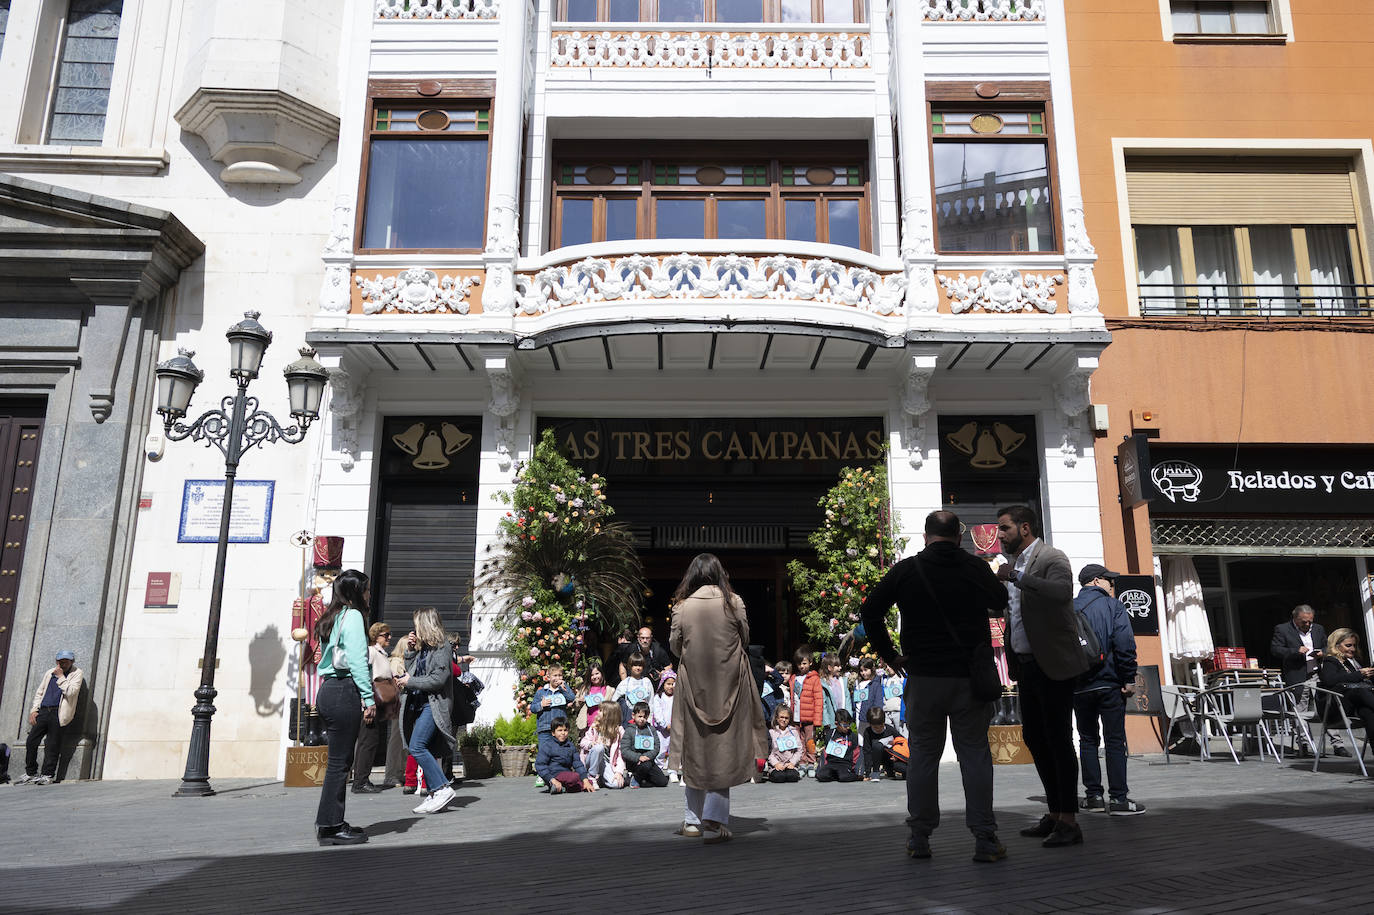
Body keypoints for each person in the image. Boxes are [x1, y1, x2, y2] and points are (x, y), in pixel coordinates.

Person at [861, 510, 1010, 864]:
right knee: (974, 754)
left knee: (924, 756)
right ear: (959, 537)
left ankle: (920, 836)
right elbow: (1000, 602)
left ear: (926, 537)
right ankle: (985, 838)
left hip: (924, 676)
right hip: (967, 679)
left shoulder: (907, 570)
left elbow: (870, 611)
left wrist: (890, 655)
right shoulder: (975, 567)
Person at [995, 504, 1089, 849]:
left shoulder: (1052, 557)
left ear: (1025, 528)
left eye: (1004, 528)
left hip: (1054, 665)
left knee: (1059, 740)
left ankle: (1069, 821)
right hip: (1027, 666)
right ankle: (1053, 814)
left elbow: (1062, 594)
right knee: (1035, 738)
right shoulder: (1015, 566)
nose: (999, 535)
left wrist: (1016, 578)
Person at [667, 553, 768, 843]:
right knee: (722, 748)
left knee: (694, 748)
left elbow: (675, 647)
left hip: (693, 687)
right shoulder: (734, 603)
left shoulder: (682, 608)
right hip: (730, 686)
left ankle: (691, 821)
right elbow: (745, 639)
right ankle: (714, 818)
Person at [1071, 565, 1144, 816]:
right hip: (1110, 682)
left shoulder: (1067, 609)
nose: (1111, 586)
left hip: (1079, 686)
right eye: (1108, 581)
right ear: (1096, 580)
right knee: (1114, 740)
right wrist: (1128, 677)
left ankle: (1093, 797)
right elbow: (1124, 645)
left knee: (1087, 740)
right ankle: (1119, 800)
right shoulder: (1113, 607)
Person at [313, 569, 376, 846]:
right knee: (340, 764)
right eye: (366, 589)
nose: (369, 594)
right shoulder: (351, 617)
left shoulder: (333, 616)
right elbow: (358, 660)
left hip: (328, 689)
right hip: (343, 690)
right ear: (355, 592)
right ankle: (330, 826)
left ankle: (330, 821)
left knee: (338, 763)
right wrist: (369, 698)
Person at [397, 607, 458, 815]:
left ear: (425, 625)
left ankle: (442, 788)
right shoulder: (426, 648)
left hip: (434, 704)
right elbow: (413, 670)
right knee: (428, 748)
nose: (414, 629)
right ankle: (433, 792)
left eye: (417, 625)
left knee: (417, 746)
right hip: (421, 703)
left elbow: (438, 680)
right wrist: (411, 651)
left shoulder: (442, 647)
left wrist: (409, 681)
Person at [17, 649, 83, 785]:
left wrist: (60, 677)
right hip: (43, 711)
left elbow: (71, 692)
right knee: (31, 741)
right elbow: (40, 692)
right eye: (60, 661)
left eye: (66, 662)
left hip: (58, 713)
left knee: (53, 744)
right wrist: (34, 710)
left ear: (72, 661)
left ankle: (47, 774)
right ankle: (31, 773)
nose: (63, 664)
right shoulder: (49, 672)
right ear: (56, 661)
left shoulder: (77, 673)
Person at [351, 622, 393, 794]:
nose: (389, 637)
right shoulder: (371, 652)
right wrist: (366, 704)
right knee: (367, 742)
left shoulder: (382, 653)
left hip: (378, 702)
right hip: (371, 703)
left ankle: (363, 779)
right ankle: (360, 781)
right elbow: (365, 676)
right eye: (386, 634)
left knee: (371, 741)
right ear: (377, 636)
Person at [1318, 629, 1374, 738]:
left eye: (1354, 645)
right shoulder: (1330, 661)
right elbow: (1330, 681)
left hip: (1355, 705)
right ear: (1336, 645)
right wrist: (1360, 674)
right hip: (1337, 706)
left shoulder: (1349, 662)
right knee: (1360, 690)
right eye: (1348, 645)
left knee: (1368, 713)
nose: (1353, 649)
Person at [1272, 604, 1328, 689]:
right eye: (1304, 622)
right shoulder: (1283, 629)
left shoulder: (1318, 629)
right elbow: (1275, 649)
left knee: (1319, 700)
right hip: (1297, 675)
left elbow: (1327, 646)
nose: (1307, 624)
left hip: (1317, 673)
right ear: (1295, 618)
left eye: (1310, 621)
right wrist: (1296, 651)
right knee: (1301, 701)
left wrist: (1323, 652)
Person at [536, 717, 597, 794]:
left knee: (588, 782)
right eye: (560, 730)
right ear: (553, 733)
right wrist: (551, 779)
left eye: (565, 730)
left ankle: (562, 788)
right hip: (553, 775)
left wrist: (585, 780)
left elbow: (578, 764)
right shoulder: (547, 746)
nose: (563, 733)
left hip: (566, 775)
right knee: (574, 777)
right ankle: (555, 785)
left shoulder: (570, 746)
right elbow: (540, 765)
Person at [790, 646, 822, 777]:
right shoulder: (793, 678)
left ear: (810, 663)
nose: (801, 666)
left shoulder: (814, 678)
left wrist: (817, 720)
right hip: (796, 716)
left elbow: (818, 699)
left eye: (804, 663)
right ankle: (802, 763)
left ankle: (811, 763)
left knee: (810, 741)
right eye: (799, 663)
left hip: (809, 717)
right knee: (799, 741)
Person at [580, 701, 627, 788]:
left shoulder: (619, 731)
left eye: (601, 711)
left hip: (607, 762)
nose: (598, 712)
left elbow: (621, 754)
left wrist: (618, 772)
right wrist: (591, 744)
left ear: (609, 715)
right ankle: (592, 777)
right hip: (591, 760)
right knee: (599, 748)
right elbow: (583, 742)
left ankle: (601, 778)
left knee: (616, 784)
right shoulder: (595, 727)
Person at [621, 700, 669, 787]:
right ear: (633, 715)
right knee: (645, 766)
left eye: (644, 717)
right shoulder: (629, 730)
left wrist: (647, 757)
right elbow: (624, 750)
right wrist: (638, 757)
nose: (642, 719)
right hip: (634, 763)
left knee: (663, 782)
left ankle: (640, 779)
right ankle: (635, 777)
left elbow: (657, 746)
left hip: (648, 760)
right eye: (639, 716)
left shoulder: (651, 729)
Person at [532, 664, 577, 749]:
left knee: (560, 753)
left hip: (560, 729)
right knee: (544, 753)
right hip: (545, 729)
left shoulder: (563, 690)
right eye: (555, 675)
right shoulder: (541, 692)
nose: (558, 678)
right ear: (548, 677)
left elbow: (571, 698)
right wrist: (541, 704)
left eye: (560, 675)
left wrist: (563, 688)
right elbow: (532, 708)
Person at [860, 706, 907, 781]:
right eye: (875, 727)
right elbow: (867, 752)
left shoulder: (890, 729)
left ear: (884, 722)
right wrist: (868, 773)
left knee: (903, 768)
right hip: (876, 758)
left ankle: (891, 771)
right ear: (870, 724)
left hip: (891, 757)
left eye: (881, 726)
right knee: (877, 745)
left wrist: (897, 756)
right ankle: (876, 772)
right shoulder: (868, 732)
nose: (878, 729)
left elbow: (902, 742)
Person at [815, 709, 861, 783]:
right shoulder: (830, 734)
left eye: (849, 724)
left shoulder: (852, 736)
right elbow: (825, 753)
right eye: (845, 725)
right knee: (821, 775)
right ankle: (836, 775)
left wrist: (857, 770)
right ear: (836, 724)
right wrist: (820, 768)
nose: (848, 727)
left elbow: (856, 754)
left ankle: (845, 775)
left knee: (844, 777)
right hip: (831, 763)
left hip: (845, 764)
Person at [651, 670, 678, 783]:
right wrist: (663, 725)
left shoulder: (677, 697)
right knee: (661, 750)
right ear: (663, 684)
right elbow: (657, 713)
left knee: (674, 749)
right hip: (662, 730)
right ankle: (659, 769)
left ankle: (673, 771)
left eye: (673, 684)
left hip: (675, 728)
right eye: (668, 684)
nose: (671, 686)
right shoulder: (659, 697)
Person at [765, 704, 803, 783]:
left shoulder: (794, 732)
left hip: (790, 764)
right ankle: (772, 773)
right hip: (776, 765)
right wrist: (776, 764)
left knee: (792, 777)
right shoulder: (771, 732)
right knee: (779, 777)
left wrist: (792, 762)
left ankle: (791, 772)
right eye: (781, 717)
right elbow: (769, 752)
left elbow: (799, 750)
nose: (784, 720)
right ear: (776, 718)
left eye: (786, 718)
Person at [613, 653, 655, 722]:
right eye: (635, 665)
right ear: (630, 666)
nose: (638, 668)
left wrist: (649, 719)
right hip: (629, 718)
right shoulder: (625, 683)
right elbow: (614, 700)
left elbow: (651, 702)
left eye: (640, 665)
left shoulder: (646, 682)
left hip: (643, 718)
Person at [577, 663, 612, 733]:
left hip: (604, 725)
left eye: (597, 673)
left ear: (601, 673)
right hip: (588, 725)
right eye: (592, 675)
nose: (595, 677)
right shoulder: (585, 689)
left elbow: (612, 708)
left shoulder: (609, 690)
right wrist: (580, 701)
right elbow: (576, 706)